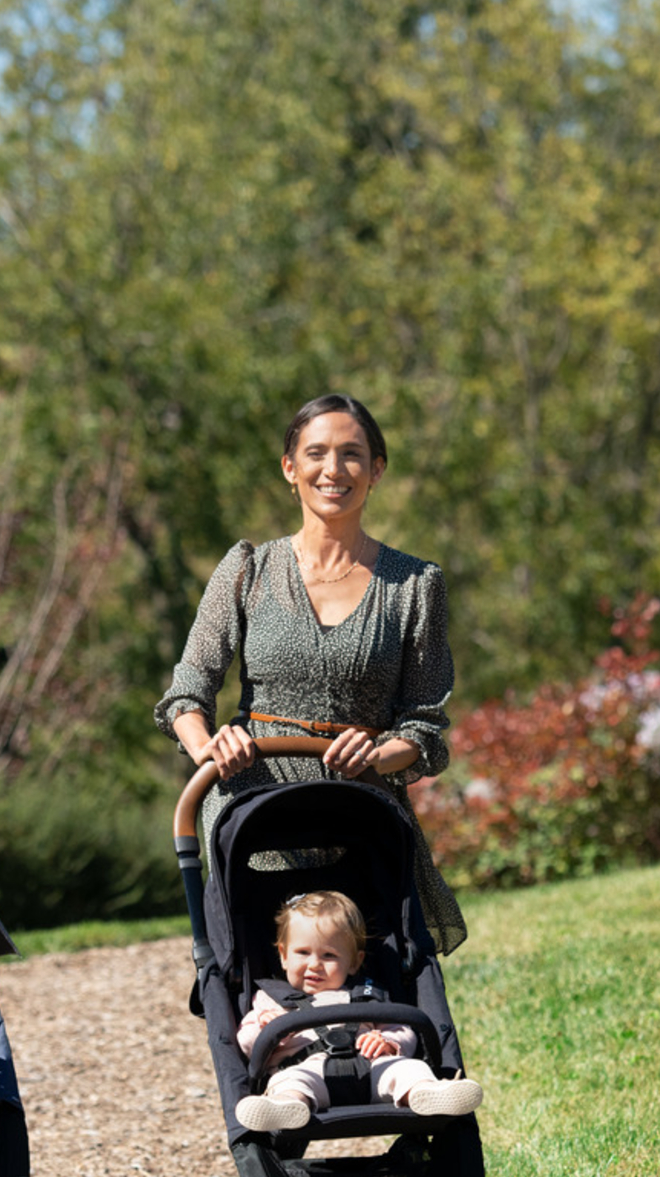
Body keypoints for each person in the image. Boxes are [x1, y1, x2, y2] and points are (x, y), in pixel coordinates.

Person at [154, 392, 466, 958]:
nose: (333, 469)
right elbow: (186, 693)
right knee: (260, 965)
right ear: (289, 468)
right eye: (316, 453)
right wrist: (209, 747)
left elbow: (423, 729)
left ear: (376, 470)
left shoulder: (416, 584)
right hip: (253, 809)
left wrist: (377, 756)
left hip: (360, 809)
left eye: (351, 454)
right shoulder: (248, 569)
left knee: (376, 963)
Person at [235, 891, 482, 1131]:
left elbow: (403, 1029)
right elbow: (246, 1044)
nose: (314, 964)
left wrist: (387, 1041)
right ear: (283, 955)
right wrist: (265, 1028)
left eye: (329, 955)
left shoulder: (366, 994)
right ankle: (286, 1107)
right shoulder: (272, 1000)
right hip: (306, 1070)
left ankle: (424, 1093)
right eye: (302, 953)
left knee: (409, 1069)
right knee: (287, 1082)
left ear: (354, 962)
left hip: (373, 1070)